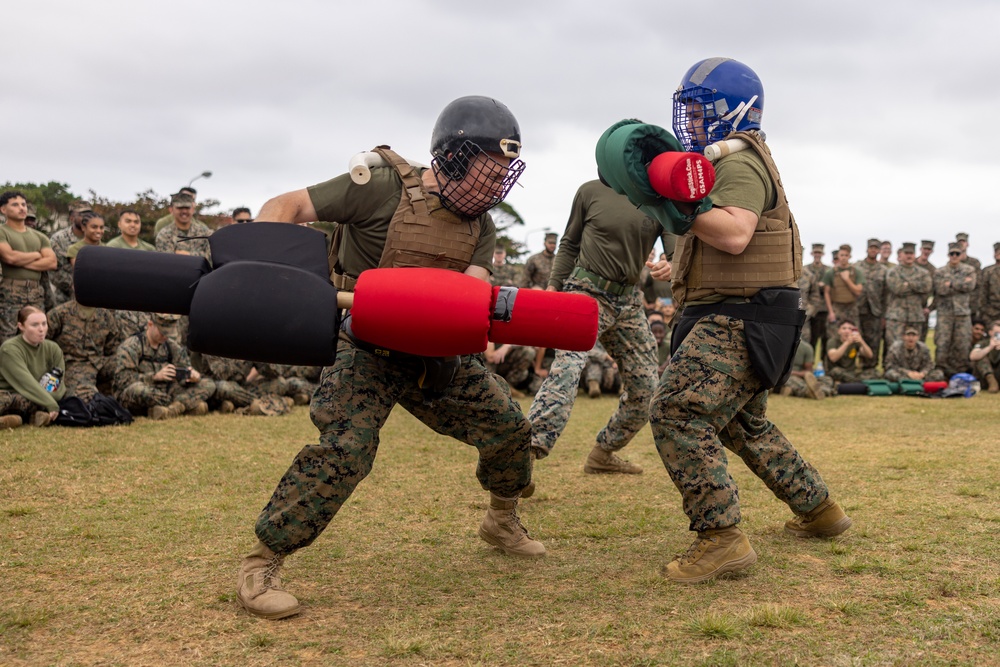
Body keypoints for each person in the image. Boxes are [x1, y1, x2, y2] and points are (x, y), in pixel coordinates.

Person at [236, 96, 542, 621]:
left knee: (511, 431)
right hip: (364, 351)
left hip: (434, 353)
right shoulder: (378, 187)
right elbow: (285, 208)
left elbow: (471, 293)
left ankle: (501, 518)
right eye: (486, 172)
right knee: (347, 451)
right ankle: (261, 563)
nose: (494, 186)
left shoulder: (481, 225)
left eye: (502, 176)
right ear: (450, 157)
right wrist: (268, 273)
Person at [649, 57, 851, 585]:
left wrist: (663, 199)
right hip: (748, 315)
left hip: (740, 319)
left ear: (731, 110)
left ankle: (722, 540)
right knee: (743, 423)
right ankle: (819, 509)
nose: (689, 121)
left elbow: (736, 233)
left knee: (677, 413)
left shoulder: (737, 163)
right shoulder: (730, 162)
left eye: (698, 110)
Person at [526, 178, 671, 481]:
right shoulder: (590, 191)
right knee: (566, 372)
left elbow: (675, 246)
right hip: (585, 292)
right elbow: (569, 243)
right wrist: (553, 287)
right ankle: (523, 455)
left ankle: (603, 453)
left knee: (647, 390)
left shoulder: (658, 198)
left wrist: (673, 260)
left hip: (629, 302)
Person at [111, 313, 214, 420]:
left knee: (208, 384)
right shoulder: (131, 346)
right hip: (143, 392)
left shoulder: (172, 346)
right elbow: (122, 380)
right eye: (162, 332)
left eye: (169, 333)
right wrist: (154, 377)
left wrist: (191, 377)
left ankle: (171, 410)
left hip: (167, 391)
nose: (166, 336)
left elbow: (184, 369)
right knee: (137, 390)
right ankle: (185, 405)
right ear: (150, 325)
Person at [0, 191, 57, 339]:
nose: (21, 208)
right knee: (8, 337)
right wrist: (37, 255)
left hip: (35, 292)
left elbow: (51, 262)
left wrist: (21, 261)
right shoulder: (2, 232)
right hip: (9, 292)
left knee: (36, 336)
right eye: (15, 205)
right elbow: (9, 257)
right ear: (3, 209)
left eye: (23, 204)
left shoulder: (40, 236)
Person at [0, 306, 66, 428]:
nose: (41, 329)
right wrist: (49, 403)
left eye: (44, 324)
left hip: (34, 398)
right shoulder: (9, 349)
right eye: (34, 325)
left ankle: (25, 418)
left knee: (31, 402)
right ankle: (21, 418)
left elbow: (59, 384)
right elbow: (25, 382)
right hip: (10, 394)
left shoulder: (53, 348)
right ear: (21, 326)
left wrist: (49, 401)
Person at [46, 298, 121, 403]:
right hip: (73, 364)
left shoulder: (105, 316)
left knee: (123, 365)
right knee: (85, 396)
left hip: (98, 363)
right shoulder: (60, 313)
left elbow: (112, 347)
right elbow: (42, 341)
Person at [932, 242, 977, 377]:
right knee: (943, 343)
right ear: (948, 255)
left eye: (957, 253)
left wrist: (951, 284)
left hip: (962, 313)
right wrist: (960, 284)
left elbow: (970, 286)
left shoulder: (969, 270)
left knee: (962, 343)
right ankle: (941, 372)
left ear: (962, 255)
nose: (955, 256)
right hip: (945, 314)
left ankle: (961, 373)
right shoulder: (940, 272)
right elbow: (940, 289)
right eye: (952, 254)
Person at [884, 242, 932, 352]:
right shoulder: (893, 272)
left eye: (911, 253)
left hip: (915, 316)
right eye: (906, 253)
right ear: (901, 254)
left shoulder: (923, 272)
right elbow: (897, 289)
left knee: (916, 346)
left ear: (915, 255)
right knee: (894, 346)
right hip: (897, 316)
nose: (909, 256)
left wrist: (907, 284)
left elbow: (926, 287)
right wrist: (916, 285)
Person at [48, 200, 91, 305]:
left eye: (89, 214)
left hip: (92, 296)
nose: (86, 218)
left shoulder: (96, 238)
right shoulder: (59, 239)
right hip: (65, 298)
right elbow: (54, 271)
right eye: (81, 215)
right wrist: (77, 286)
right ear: (72, 217)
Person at [854, 238, 887, 373]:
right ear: (867, 249)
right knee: (856, 338)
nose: (873, 250)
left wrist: (884, 315)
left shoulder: (883, 270)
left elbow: (886, 295)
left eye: (876, 248)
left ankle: (870, 368)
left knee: (873, 340)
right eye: (871, 248)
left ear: (879, 251)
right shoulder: (857, 267)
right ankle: (855, 366)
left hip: (875, 311)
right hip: (857, 309)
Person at [822, 245, 864, 342]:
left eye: (846, 255)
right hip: (837, 307)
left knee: (855, 335)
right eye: (842, 255)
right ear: (838, 256)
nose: (844, 257)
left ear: (850, 256)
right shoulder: (831, 273)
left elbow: (858, 291)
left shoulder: (856, 272)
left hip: (851, 307)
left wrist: (847, 280)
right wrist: (831, 312)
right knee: (833, 335)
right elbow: (827, 293)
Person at [154, 192, 213, 260]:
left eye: (187, 208)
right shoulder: (164, 235)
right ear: (171, 210)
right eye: (180, 208)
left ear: (193, 209)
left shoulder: (206, 233)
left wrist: (188, 255)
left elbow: (211, 259)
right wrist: (199, 256)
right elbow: (165, 261)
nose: (184, 211)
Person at [777, 335, 833, 399]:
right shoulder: (779, 346)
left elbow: (809, 371)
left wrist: (796, 373)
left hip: (801, 377)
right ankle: (808, 392)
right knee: (789, 380)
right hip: (786, 377)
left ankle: (820, 391)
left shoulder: (806, 348)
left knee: (827, 379)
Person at [800, 243, 829, 355]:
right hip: (790, 314)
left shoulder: (826, 270)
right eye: (815, 252)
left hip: (818, 311)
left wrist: (808, 312)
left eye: (819, 252)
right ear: (812, 253)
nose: (817, 254)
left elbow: (815, 296)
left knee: (817, 338)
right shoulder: (806, 269)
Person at [970, 320, 1000, 393]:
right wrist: (990, 347)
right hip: (984, 378)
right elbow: (972, 356)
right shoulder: (983, 343)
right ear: (990, 332)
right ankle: (992, 381)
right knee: (980, 356)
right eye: (997, 333)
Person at [915, 240, 936, 340]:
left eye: (929, 249)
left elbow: (937, 292)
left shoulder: (933, 270)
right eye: (925, 249)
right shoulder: (911, 264)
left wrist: (930, 308)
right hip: (906, 309)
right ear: (920, 249)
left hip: (923, 310)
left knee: (921, 339)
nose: (926, 251)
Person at [979, 242, 1000, 326]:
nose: (998, 254)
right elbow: (982, 294)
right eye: (996, 251)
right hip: (991, 313)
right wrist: (986, 312)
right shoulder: (987, 271)